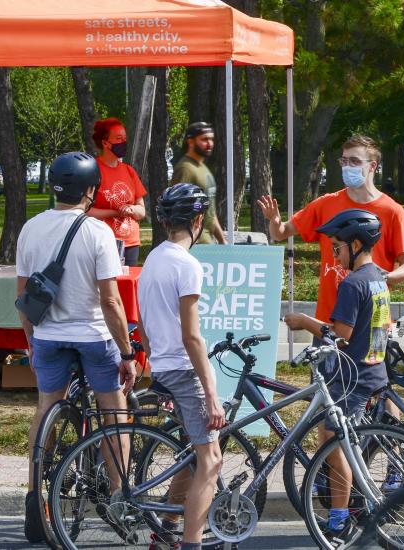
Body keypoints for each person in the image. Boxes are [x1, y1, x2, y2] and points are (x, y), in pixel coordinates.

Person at [16, 152, 138, 543]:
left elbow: (23, 294)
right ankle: (120, 498)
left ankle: (36, 497)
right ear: (90, 190)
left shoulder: (30, 228)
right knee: (114, 413)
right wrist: (127, 352)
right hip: (93, 337)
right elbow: (110, 302)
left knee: (46, 407)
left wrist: (31, 341)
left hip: (49, 336)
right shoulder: (98, 233)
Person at [284, 209, 393, 542]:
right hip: (373, 370)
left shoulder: (353, 284)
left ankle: (339, 520)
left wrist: (305, 322)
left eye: (337, 247)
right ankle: (344, 505)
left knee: (334, 446)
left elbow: (341, 335)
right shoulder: (378, 278)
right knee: (330, 440)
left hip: (352, 376)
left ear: (356, 244)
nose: (334, 254)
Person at [138, 183, 227, 550]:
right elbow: (192, 337)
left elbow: (142, 324)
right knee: (212, 459)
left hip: (162, 365)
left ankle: (168, 528)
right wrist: (212, 394)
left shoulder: (153, 258)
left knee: (192, 452)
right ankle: (191, 543)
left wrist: (154, 360)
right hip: (183, 369)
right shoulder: (187, 265)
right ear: (198, 220)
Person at [257, 134, 404, 325]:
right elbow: (280, 233)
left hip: (372, 321)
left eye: (355, 161)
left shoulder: (392, 211)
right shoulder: (325, 204)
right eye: (344, 160)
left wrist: (382, 277)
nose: (348, 167)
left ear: (373, 166)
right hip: (328, 320)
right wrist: (275, 221)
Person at [86, 117, 148, 266]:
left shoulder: (129, 171)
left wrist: (131, 208)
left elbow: (142, 211)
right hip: (103, 242)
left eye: (125, 138)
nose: (123, 143)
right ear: (105, 142)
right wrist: (116, 212)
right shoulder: (92, 170)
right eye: (118, 138)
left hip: (131, 243)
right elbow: (85, 211)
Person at [170, 122, 226, 244]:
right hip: (193, 243)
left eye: (211, 139)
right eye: (204, 139)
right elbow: (177, 208)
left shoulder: (203, 169)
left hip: (207, 242)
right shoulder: (186, 168)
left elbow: (210, 207)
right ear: (190, 141)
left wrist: (222, 240)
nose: (209, 143)